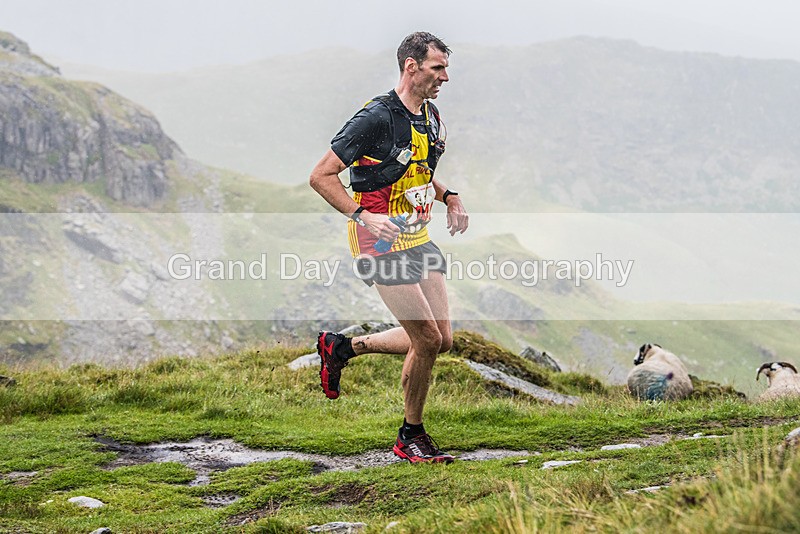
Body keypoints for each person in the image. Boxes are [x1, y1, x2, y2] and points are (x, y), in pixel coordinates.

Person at [309, 31, 468, 464]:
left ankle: (343, 348)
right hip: (378, 240)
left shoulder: (430, 117)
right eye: (438, 68)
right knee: (427, 338)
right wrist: (361, 216)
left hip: (416, 235)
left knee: (443, 339)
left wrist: (449, 195)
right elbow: (321, 176)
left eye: (446, 68)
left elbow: (418, 171)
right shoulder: (375, 118)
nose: (446, 77)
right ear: (411, 66)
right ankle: (410, 436)